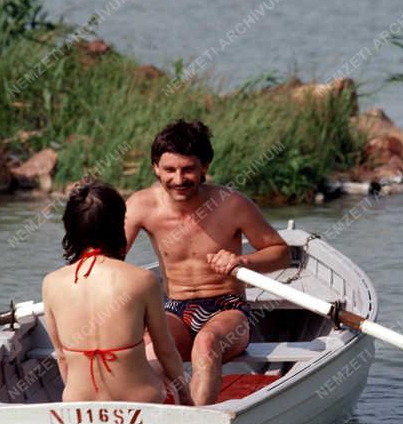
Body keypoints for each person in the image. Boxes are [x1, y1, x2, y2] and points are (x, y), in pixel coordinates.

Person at [125, 120, 290, 405]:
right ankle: (151, 422)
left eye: (188, 169)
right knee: (148, 349)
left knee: (207, 343)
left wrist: (243, 261)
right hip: (174, 308)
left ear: (205, 167)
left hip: (227, 310)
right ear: (155, 168)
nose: (179, 179)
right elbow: (109, 259)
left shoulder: (232, 204)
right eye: (170, 170)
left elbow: (281, 252)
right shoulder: (141, 205)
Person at [43, 181, 191, 405]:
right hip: (142, 402)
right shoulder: (143, 280)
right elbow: (166, 350)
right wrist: (187, 395)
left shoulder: (51, 283)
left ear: (70, 227)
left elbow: (62, 358)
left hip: (79, 405)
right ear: (118, 225)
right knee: (158, 363)